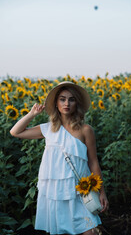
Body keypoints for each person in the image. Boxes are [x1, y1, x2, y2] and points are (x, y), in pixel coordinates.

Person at [10, 81, 109, 235]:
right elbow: (15, 132)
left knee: (91, 232)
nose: (66, 103)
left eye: (71, 99)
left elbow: (93, 162)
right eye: (62, 99)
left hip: (81, 192)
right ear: (56, 103)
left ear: (77, 103)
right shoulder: (48, 129)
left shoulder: (86, 130)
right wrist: (32, 114)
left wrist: (102, 192)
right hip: (56, 191)